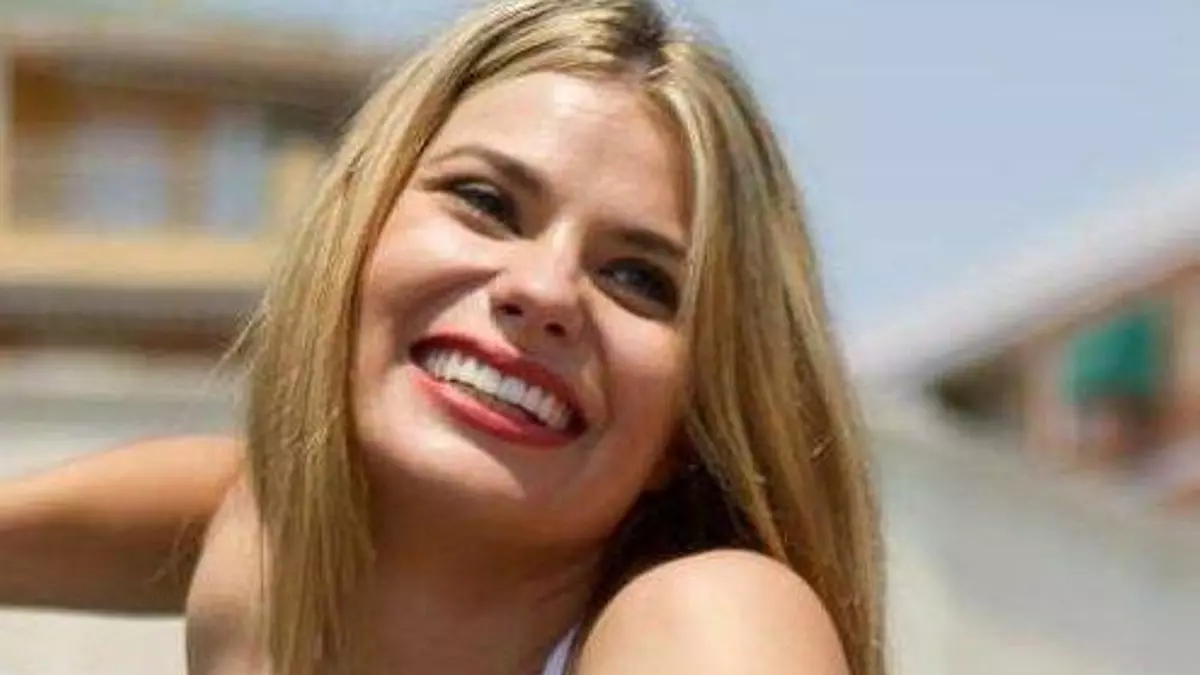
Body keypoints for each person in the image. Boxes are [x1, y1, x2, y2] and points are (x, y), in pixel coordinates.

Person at [0, 1, 884, 674]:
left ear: (692, 427)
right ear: (356, 229)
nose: (544, 289)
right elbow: (225, 492)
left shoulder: (708, 623)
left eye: (640, 279)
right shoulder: (258, 542)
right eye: (486, 202)